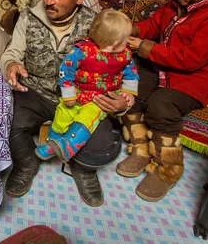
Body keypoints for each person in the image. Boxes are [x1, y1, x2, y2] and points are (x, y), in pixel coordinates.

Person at [0, 0, 129, 207]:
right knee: (5, 120)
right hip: (35, 91)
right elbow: (12, 52)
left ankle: (83, 170)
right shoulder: (28, 17)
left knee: (103, 145)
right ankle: (27, 164)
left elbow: (117, 68)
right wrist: (10, 66)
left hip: (83, 99)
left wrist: (121, 103)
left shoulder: (96, 24)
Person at [122, 0, 208, 202]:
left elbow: (191, 59)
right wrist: (129, 30)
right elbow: (151, 26)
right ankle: (140, 149)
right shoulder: (177, 5)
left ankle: (168, 171)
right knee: (128, 89)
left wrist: (145, 47)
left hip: (196, 77)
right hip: (162, 65)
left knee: (160, 105)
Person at [36, 9, 139, 163]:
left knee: (86, 118)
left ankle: (69, 146)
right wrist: (69, 94)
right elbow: (66, 70)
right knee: (62, 114)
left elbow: (131, 73)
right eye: (126, 39)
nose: (128, 43)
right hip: (78, 94)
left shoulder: (125, 55)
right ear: (115, 43)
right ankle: (52, 145)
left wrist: (128, 92)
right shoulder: (82, 51)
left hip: (100, 99)